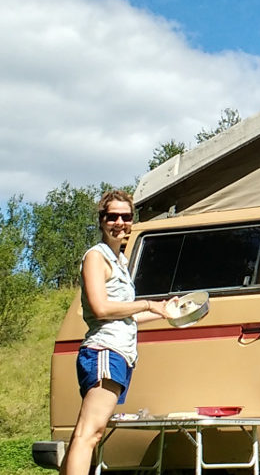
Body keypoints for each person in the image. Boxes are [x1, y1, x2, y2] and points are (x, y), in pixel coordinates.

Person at [62, 190, 174, 475]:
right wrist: (148, 302)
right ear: (102, 221)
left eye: (126, 217)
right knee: (90, 434)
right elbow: (100, 309)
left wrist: (164, 311)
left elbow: (126, 317)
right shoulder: (96, 257)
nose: (120, 222)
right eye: (113, 216)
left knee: (87, 433)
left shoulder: (119, 262)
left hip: (120, 354)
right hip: (104, 351)